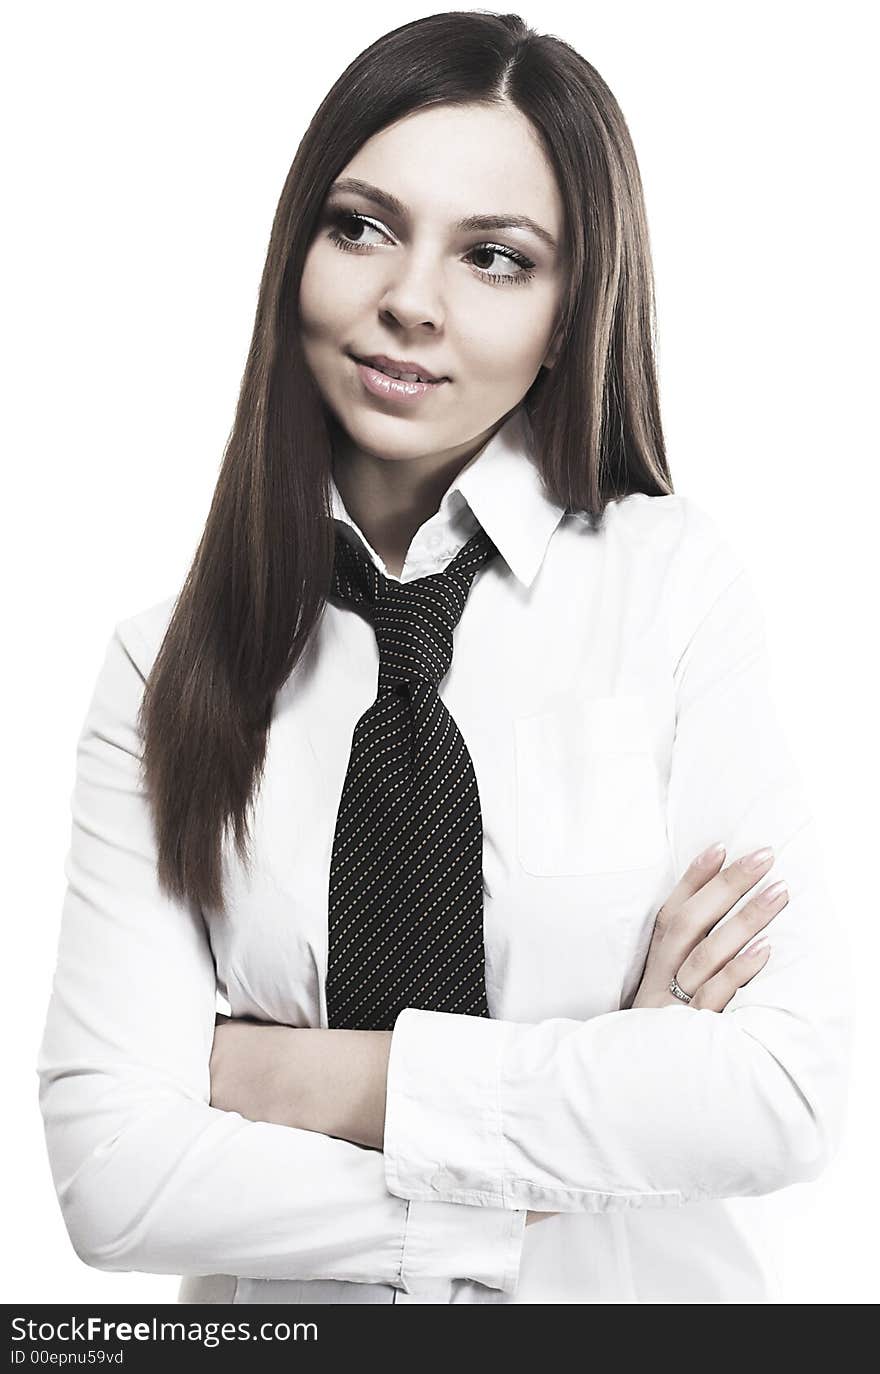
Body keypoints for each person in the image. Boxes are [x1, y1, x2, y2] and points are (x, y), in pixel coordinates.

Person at [36, 12, 853, 1304]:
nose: (408, 299)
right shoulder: (165, 665)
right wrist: (572, 1118)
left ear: (568, 305)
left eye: (494, 257)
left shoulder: (670, 590)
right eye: (361, 226)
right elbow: (115, 1175)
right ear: (295, 248)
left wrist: (295, 1077)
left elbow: (785, 1092)